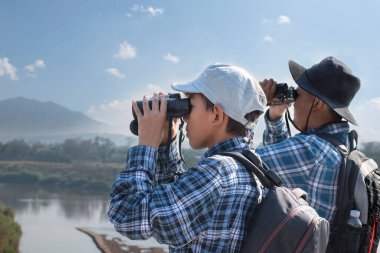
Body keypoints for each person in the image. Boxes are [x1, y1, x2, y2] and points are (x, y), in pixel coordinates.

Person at [107, 63, 268, 252]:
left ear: (216, 114)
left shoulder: (218, 172)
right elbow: (173, 196)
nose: (184, 117)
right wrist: (168, 142)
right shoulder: (249, 164)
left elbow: (126, 215)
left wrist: (146, 145)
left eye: (190, 106)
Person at [256, 56, 361, 224]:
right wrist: (276, 117)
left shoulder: (313, 150)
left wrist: (254, 106)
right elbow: (280, 164)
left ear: (316, 104)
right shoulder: (342, 144)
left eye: (297, 93)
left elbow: (240, 161)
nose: (293, 101)